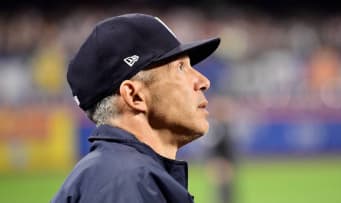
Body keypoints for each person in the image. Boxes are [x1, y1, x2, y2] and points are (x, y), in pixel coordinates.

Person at [52, 13, 220, 203]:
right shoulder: (125, 183)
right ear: (134, 96)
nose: (203, 82)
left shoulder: (120, 175)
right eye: (180, 67)